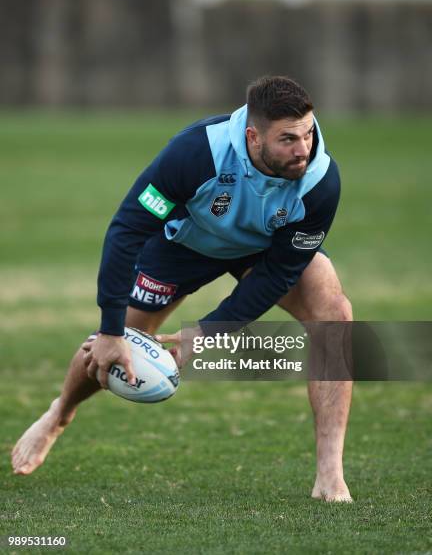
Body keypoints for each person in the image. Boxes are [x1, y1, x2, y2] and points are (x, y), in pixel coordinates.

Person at [11, 76, 353, 502]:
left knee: (334, 313)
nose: (303, 148)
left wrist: (209, 332)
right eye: (287, 139)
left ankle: (330, 473)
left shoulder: (320, 180)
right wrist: (113, 330)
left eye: (307, 132)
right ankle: (58, 414)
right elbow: (128, 229)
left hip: (261, 251)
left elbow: (279, 272)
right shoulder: (196, 154)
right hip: (182, 246)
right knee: (107, 344)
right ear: (253, 135)